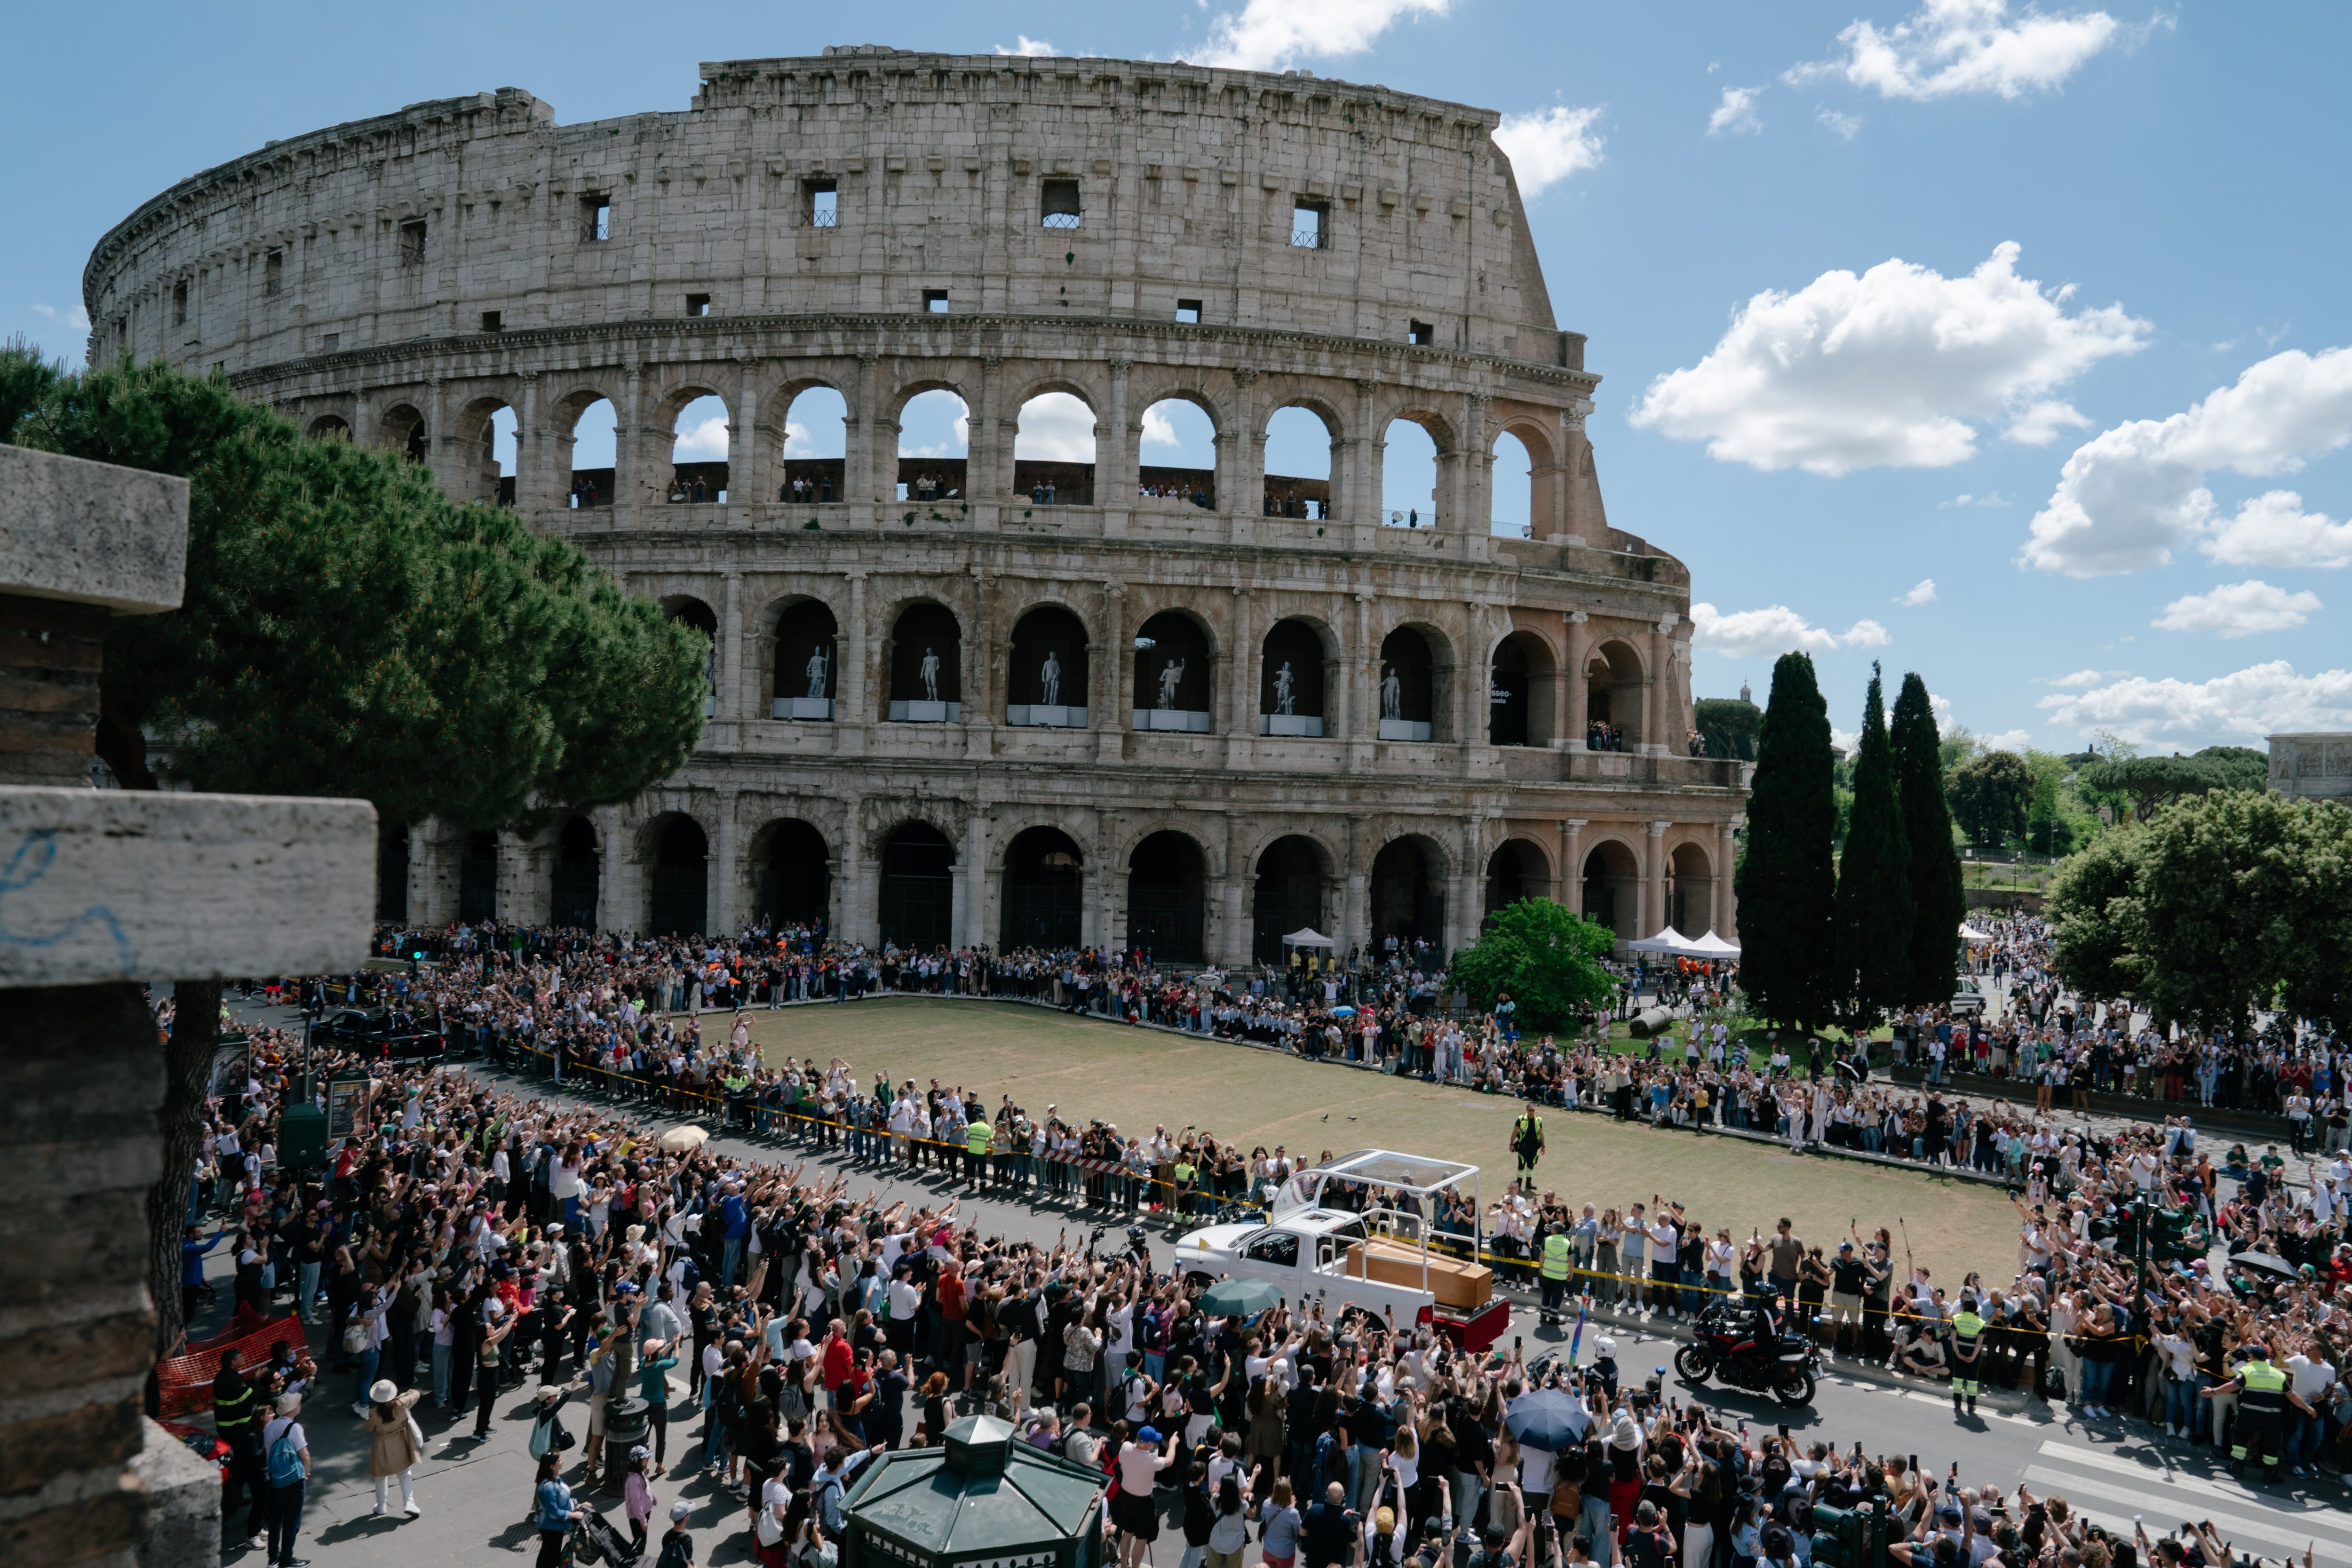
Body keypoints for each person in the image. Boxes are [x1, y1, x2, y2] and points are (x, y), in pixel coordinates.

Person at [260, 1392, 311, 1568]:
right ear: (293, 1408)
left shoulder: (269, 1427)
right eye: (299, 1404)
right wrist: (306, 1472)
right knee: (292, 1521)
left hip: (272, 1478)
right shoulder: (294, 1428)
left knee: (275, 1521)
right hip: (292, 1481)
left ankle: (273, 1558)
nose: (300, 1406)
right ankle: (287, 1559)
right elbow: (304, 1455)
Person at [363, 1378, 425, 1518]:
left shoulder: (375, 1413)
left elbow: (369, 1428)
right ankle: (409, 1503)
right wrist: (401, 1397)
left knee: (380, 1477)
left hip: (382, 1446)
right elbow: (416, 1393)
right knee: (405, 1474)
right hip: (401, 1442)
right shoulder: (402, 1404)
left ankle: (381, 1506)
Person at [535, 1449, 588, 1568]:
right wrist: (574, 1515)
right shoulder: (548, 1487)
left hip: (556, 1527)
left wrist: (578, 1505)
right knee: (550, 1559)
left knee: (550, 1556)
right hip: (551, 1528)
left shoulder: (555, 1479)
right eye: (559, 1460)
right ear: (552, 1466)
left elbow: (564, 1500)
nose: (563, 1461)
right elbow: (554, 1512)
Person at [657, 1500, 696, 1568]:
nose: (690, 1514)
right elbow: (688, 1564)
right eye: (689, 1513)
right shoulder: (686, 1540)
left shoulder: (667, 1535)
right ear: (685, 1518)